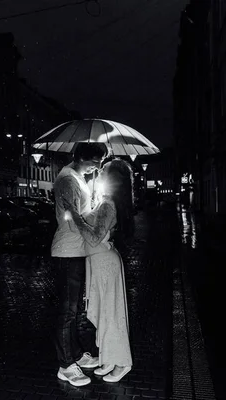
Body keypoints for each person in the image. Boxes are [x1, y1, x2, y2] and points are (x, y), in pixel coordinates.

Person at [62, 158, 134, 383]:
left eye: (103, 170)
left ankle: (123, 362)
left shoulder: (108, 204)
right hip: (100, 262)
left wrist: (74, 215)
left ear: (111, 178)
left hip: (103, 263)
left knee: (111, 316)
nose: (98, 172)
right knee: (105, 315)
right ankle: (110, 358)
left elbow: (93, 238)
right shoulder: (106, 202)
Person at [52, 142, 108, 387]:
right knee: (66, 311)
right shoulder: (67, 180)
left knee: (73, 310)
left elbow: (82, 212)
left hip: (76, 249)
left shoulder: (77, 178)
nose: (98, 167)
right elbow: (73, 220)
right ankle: (65, 365)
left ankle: (75, 355)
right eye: (96, 161)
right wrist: (97, 220)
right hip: (68, 251)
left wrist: (94, 204)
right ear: (82, 157)